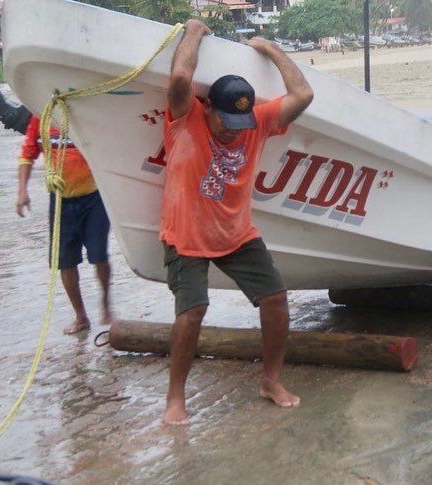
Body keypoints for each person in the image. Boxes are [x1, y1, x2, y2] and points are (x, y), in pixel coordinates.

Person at [160, 19, 313, 424]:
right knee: (192, 311)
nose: (232, 132)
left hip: (237, 234)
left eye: (237, 125)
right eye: (225, 122)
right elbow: (179, 76)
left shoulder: (257, 122)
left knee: (276, 298)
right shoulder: (185, 117)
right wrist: (195, 30)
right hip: (186, 237)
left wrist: (270, 49)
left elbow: (303, 94)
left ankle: (271, 380)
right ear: (207, 106)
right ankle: (175, 397)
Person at [17, 116, 113, 334]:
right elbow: (26, 155)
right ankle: (81, 317)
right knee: (65, 261)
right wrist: (22, 191)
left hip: (93, 197)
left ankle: (106, 300)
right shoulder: (38, 119)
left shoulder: (80, 114)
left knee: (99, 255)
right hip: (60, 199)